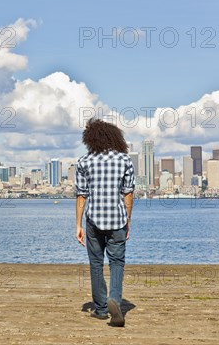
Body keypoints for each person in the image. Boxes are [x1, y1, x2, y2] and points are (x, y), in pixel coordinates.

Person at [74, 118, 135, 327]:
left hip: (93, 220)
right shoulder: (125, 161)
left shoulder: (84, 162)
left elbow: (81, 195)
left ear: (90, 139)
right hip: (117, 220)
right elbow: (128, 194)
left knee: (96, 264)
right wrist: (127, 221)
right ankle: (115, 300)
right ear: (114, 137)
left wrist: (78, 225)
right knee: (117, 262)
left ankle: (100, 310)